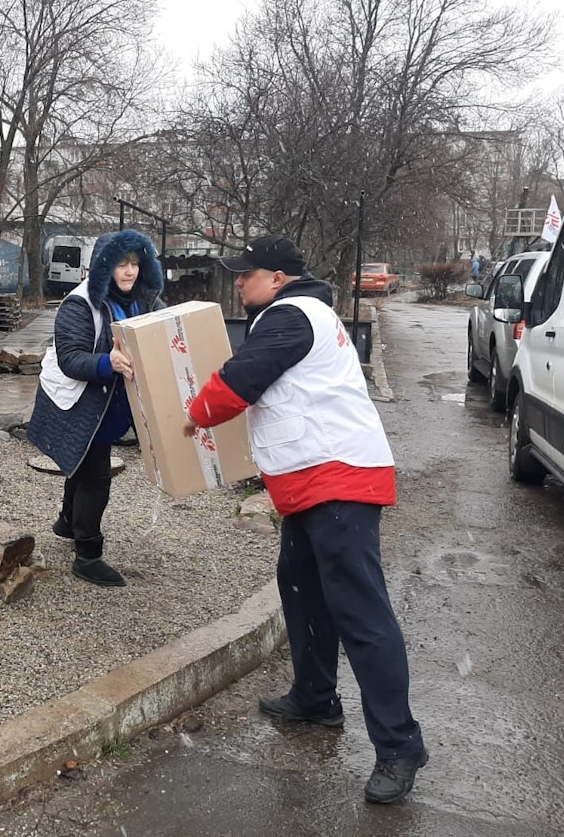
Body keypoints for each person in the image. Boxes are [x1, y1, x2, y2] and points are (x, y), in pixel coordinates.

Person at [181, 235, 426, 805]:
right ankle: (315, 698)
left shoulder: (291, 315)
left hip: (338, 481)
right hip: (313, 483)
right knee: (301, 588)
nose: (239, 282)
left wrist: (194, 414)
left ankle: (400, 746)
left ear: (277, 278)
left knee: (361, 614)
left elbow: (240, 381)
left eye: (247, 274)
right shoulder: (299, 312)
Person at [28, 230, 162, 587]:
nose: (130, 271)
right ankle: (88, 555)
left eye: (135, 263)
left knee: (83, 461)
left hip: (109, 402)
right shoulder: (79, 304)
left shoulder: (146, 298)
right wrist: (108, 362)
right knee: (95, 476)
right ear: (105, 265)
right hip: (81, 402)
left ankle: (67, 522)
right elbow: (71, 358)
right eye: (121, 263)